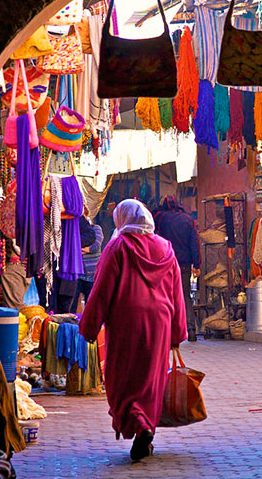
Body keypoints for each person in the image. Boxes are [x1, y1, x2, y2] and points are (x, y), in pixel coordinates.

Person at [80, 199, 187, 461]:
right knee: (151, 377)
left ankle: (138, 422)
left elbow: (102, 288)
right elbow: (176, 292)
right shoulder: (165, 248)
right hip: (160, 322)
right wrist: (177, 332)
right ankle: (145, 427)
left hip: (127, 320)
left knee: (124, 375)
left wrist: (90, 325)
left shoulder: (117, 246)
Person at [152, 196, 201, 341]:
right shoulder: (187, 219)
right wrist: (196, 264)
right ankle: (191, 329)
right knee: (185, 295)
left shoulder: (160, 218)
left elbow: (154, 236)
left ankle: (167, 330)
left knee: (166, 295)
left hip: (165, 263)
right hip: (184, 264)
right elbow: (194, 243)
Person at [74, 212, 104, 312]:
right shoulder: (75, 230)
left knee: (91, 304)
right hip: (77, 272)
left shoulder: (96, 229)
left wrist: (79, 249)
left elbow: (95, 247)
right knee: (73, 303)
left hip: (92, 273)